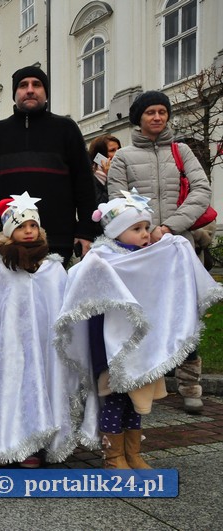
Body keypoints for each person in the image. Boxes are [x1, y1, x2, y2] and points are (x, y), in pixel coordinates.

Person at [56, 191, 223, 468]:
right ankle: (113, 457)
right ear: (116, 232)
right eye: (136, 228)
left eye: (146, 227)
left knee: (136, 402)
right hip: (111, 349)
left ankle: (133, 453)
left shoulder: (149, 257)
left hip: (141, 346)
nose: (145, 234)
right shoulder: (101, 260)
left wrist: (174, 249)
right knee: (114, 401)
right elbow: (80, 287)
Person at [0, 193, 85, 468]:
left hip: (46, 347)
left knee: (44, 386)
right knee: (12, 390)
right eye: (20, 226)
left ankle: (38, 445)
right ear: (9, 231)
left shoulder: (53, 268)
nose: (28, 231)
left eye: (32, 225)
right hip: (11, 347)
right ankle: (10, 441)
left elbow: (64, 308)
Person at [107, 90, 213, 414]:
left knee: (186, 313)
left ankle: (190, 383)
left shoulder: (181, 151)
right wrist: (142, 231)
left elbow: (202, 190)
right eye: (150, 112)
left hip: (178, 247)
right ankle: (145, 380)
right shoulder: (123, 157)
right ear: (139, 117)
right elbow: (117, 203)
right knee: (145, 313)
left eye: (162, 112)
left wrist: (167, 228)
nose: (157, 117)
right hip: (140, 252)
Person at [0, 65, 97, 264]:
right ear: (15, 94)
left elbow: (84, 184)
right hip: (11, 240)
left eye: (37, 84)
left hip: (58, 241)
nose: (30, 89)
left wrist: (86, 230)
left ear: (45, 93)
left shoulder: (66, 129)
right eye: (23, 85)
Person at [88, 134, 121, 205]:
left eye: (119, 149)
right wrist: (109, 176)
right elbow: (101, 203)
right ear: (100, 155)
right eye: (112, 150)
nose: (118, 153)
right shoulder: (91, 178)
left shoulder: (123, 169)